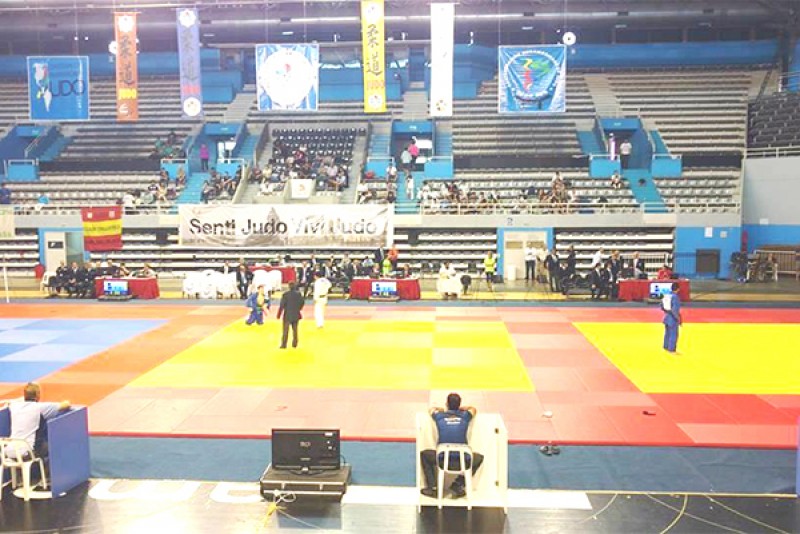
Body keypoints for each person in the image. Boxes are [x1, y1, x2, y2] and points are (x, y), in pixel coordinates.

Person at [419, 393, 484, 499]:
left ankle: (433, 488)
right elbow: (473, 409)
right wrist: (464, 408)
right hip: (463, 462)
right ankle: (458, 484)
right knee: (479, 458)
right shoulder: (465, 416)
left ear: (447, 404)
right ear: (459, 404)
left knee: (425, 455)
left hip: (442, 461)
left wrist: (440, 409)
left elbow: (431, 410)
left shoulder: (439, 416)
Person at [7, 383, 70, 466]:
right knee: (54, 446)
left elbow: (10, 402)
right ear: (37, 394)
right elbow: (66, 404)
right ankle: (48, 472)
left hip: (9, 451)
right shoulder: (40, 408)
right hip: (26, 452)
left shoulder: (14, 406)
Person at [277, 282, 304, 349]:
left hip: (287, 315)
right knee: (295, 330)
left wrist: (279, 315)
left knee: (285, 331)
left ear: (289, 287)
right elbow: (302, 303)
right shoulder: (298, 294)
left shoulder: (285, 295)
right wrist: (298, 309)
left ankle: (284, 344)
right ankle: (295, 344)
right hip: (296, 314)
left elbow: (282, 305)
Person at [661, 282, 682, 353]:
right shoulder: (675, 297)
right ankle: (671, 348)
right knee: (673, 334)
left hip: (666, 317)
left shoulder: (667, 295)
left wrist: (667, 312)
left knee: (667, 333)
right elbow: (674, 309)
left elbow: (662, 306)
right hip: (672, 318)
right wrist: (678, 318)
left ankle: (666, 346)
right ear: (678, 289)